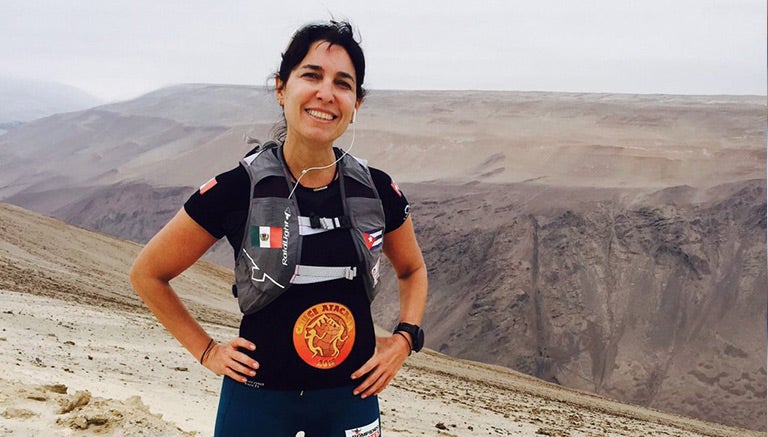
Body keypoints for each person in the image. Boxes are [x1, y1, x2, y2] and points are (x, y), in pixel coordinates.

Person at [130, 20, 428, 436]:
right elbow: (148, 273)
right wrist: (207, 351)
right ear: (281, 88)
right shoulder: (237, 188)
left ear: (355, 102)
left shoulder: (377, 189)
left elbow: (412, 270)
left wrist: (404, 339)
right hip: (257, 400)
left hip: (350, 399)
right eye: (311, 75)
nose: (326, 93)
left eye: (343, 83)